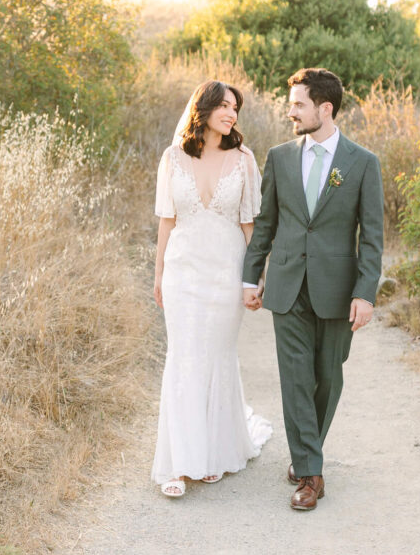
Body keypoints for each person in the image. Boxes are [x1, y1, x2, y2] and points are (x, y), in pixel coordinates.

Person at [242, 67, 383, 511]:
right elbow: (266, 223)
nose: (291, 112)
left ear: (325, 108)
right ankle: (311, 474)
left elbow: (373, 237)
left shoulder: (363, 163)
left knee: (328, 377)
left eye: (298, 104)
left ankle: (307, 449)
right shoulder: (279, 157)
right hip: (286, 286)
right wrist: (252, 275)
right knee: (296, 378)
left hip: (337, 289)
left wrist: (365, 292)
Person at [152, 80, 272, 497]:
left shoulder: (243, 160)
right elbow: (166, 219)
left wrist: (254, 277)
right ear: (202, 108)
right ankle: (177, 462)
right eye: (223, 105)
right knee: (183, 357)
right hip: (182, 271)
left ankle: (215, 453)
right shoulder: (173, 157)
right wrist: (158, 273)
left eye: (235, 107)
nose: (231, 113)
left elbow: (250, 225)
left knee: (217, 356)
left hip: (225, 270)